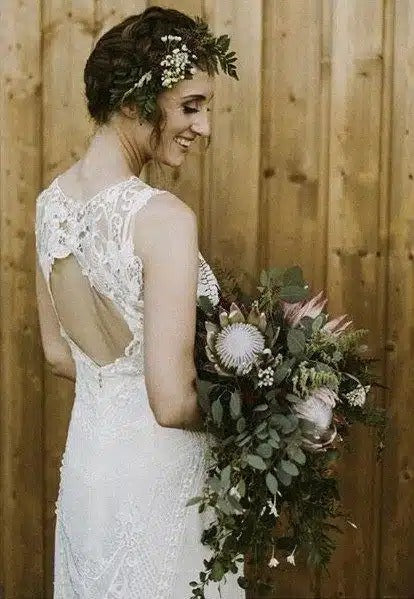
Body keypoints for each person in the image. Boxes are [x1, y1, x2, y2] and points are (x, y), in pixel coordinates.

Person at [35, 5, 245, 599]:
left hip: (90, 473)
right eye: (191, 106)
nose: (204, 127)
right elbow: (172, 402)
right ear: (135, 102)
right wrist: (260, 414)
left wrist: (117, 390)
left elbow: (58, 354)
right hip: (161, 483)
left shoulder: (50, 205)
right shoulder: (163, 219)